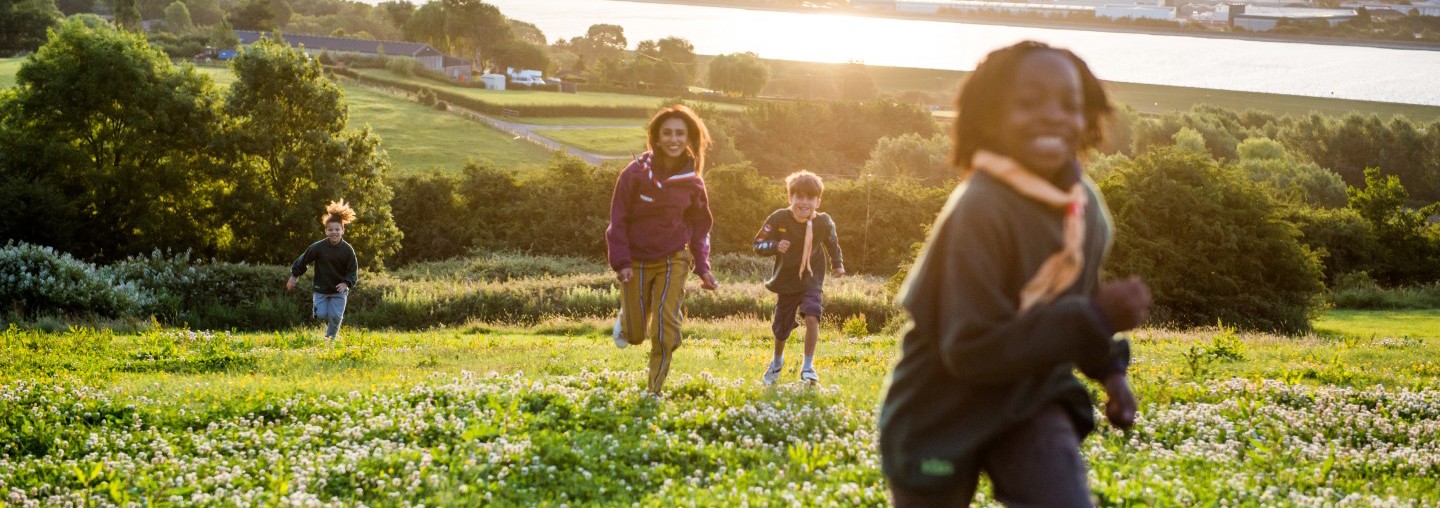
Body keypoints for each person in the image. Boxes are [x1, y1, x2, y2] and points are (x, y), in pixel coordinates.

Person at [877, 40, 1152, 506]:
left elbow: (1071, 301)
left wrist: (1110, 372)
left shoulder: (1084, 209)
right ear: (990, 117)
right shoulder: (979, 208)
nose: (1053, 116)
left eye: (1070, 105)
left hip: (1032, 397)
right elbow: (970, 349)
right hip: (941, 407)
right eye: (1028, 103)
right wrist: (1096, 318)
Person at [606, 104, 720, 397]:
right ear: (655, 138)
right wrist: (621, 262)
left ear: (689, 138)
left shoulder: (693, 182)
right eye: (667, 133)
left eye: (680, 133)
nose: (673, 139)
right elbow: (618, 220)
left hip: (674, 258)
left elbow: (699, 227)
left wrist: (704, 267)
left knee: (664, 329)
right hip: (636, 259)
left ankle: (653, 392)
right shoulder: (634, 174)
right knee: (634, 336)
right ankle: (629, 320)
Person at [752, 170, 845, 386]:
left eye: (810, 198)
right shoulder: (778, 218)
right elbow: (757, 243)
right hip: (786, 281)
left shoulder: (823, 222)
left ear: (818, 201)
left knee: (812, 316)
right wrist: (776, 246)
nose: (805, 202)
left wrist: (837, 264)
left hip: (812, 279)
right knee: (782, 327)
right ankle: (777, 361)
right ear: (790, 198)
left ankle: (808, 367)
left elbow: (832, 242)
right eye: (800, 197)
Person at [286, 200, 360, 341]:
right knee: (320, 315)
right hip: (321, 289)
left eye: (337, 229)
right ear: (326, 231)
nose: (334, 232)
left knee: (336, 317)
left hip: (339, 291)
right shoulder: (318, 247)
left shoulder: (348, 250)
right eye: (330, 230)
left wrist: (346, 283)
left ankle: (329, 340)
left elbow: (353, 270)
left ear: (342, 231)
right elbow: (303, 259)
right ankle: (318, 312)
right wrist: (294, 277)